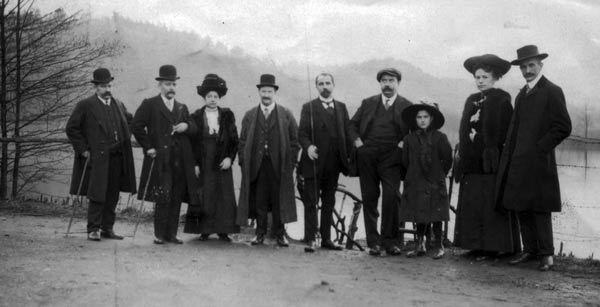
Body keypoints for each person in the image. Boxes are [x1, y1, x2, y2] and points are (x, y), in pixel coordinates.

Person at [496, 45, 572, 271]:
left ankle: (547, 255)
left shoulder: (552, 91)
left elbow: (563, 127)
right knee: (521, 206)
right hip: (518, 162)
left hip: (539, 163)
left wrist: (540, 149)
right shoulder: (521, 94)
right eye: (523, 66)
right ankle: (529, 250)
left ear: (541, 65)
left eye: (531, 65)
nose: (527, 70)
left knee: (540, 208)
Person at [453, 54, 521, 260]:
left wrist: (480, 138)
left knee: (490, 204)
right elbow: (463, 131)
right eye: (477, 77)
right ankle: (475, 245)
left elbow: (505, 134)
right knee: (473, 203)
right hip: (472, 163)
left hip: (492, 163)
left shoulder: (502, 99)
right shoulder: (471, 100)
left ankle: (493, 247)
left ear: (495, 77)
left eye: (484, 77)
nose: (480, 80)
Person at [66, 68, 137, 241]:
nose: (108, 89)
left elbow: (130, 121)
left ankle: (108, 228)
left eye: (109, 85)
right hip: (97, 158)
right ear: (96, 87)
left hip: (117, 157)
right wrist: (83, 150)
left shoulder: (118, 104)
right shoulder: (86, 105)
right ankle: (93, 229)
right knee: (97, 193)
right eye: (104, 86)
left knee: (113, 195)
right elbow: (72, 128)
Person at [348, 68, 412, 256]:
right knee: (369, 197)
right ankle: (374, 243)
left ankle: (390, 242)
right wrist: (359, 143)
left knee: (391, 197)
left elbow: (414, 129)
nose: (387, 84)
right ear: (380, 83)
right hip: (368, 155)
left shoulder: (406, 106)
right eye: (384, 80)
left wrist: (402, 144)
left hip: (392, 156)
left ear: (398, 83)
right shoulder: (368, 103)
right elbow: (352, 125)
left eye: (391, 80)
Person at [132, 65, 198, 245]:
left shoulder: (182, 107)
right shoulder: (150, 104)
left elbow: (194, 128)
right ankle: (159, 234)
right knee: (162, 197)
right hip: (161, 160)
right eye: (168, 84)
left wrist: (186, 126)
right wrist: (148, 147)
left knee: (176, 197)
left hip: (179, 161)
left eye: (174, 84)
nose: (171, 88)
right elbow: (137, 126)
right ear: (160, 85)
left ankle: (171, 234)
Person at [237, 74, 300, 247]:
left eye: (269, 91)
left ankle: (280, 234)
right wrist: (244, 162)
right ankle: (260, 234)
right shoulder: (250, 115)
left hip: (279, 166)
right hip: (257, 165)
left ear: (275, 93)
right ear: (258, 92)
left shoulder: (286, 114)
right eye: (263, 91)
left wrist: (291, 163)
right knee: (260, 200)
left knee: (279, 200)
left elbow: (295, 141)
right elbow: (242, 142)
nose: (266, 94)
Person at [298, 73, 352, 252]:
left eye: (328, 83)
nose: (325, 87)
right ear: (316, 87)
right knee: (311, 201)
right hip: (313, 162)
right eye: (321, 84)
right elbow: (302, 133)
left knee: (329, 201)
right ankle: (311, 238)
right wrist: (308, 147)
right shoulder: (309, 107)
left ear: (333, 85)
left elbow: (347, 133)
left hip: (334, 164)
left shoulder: (342, 108)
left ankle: (327, 239)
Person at [184, 74, 240, 241]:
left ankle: (224, 230)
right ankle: (204, 230)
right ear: (204, 97)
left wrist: (230, 158)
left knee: (224, 194)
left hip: (222, 159)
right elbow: (192, 142)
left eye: (216, 96)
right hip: (204, 159)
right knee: (205, 193)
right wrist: (195, 163)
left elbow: (234, 140)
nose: (212, 99)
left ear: (220, 97)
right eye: (209, 96)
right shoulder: (196, 116)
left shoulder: (227, 115)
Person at [399, 102, 452, 259]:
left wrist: (439, 174)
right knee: (419, 212)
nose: (422, 120)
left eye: (425, 117)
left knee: (437, 213)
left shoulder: (440, 137)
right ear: (415, 120)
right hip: (416, 179)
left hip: (435, 179)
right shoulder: (409, 139)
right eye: (419, 117)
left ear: (431, 119)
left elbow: (447, 159)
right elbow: (405, 160)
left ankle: (439, 245)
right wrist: (413, 173)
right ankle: (420, 244)